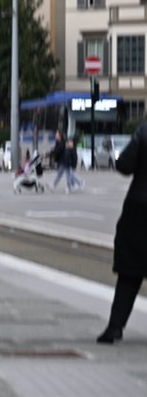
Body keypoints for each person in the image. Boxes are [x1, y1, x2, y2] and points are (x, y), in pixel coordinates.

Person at [98, 120, 147, 343]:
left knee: (129, 272)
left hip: (140, 208)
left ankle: (115, 326)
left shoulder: (144, 131)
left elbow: (124, 165)